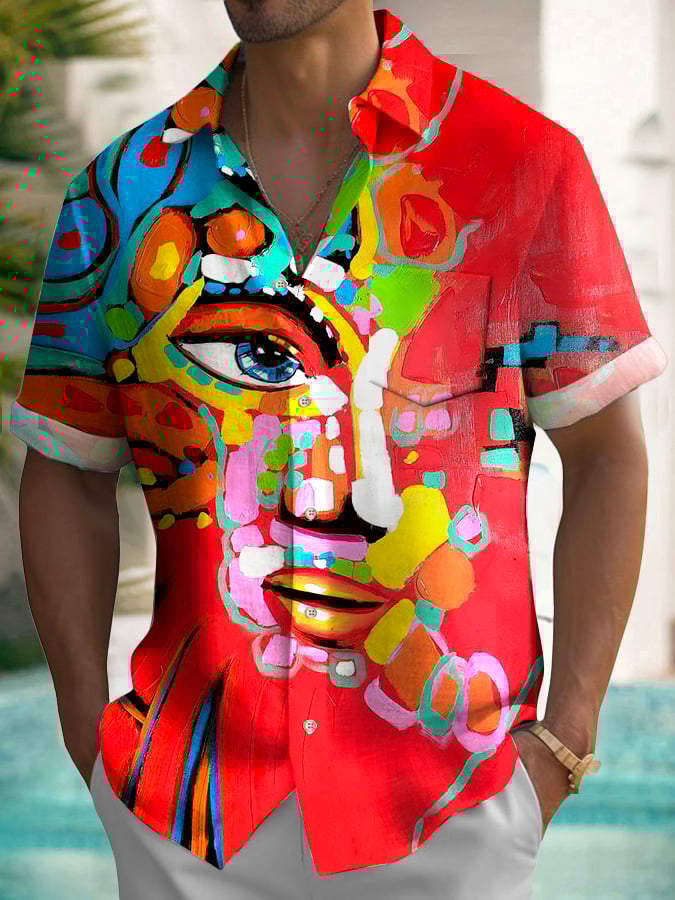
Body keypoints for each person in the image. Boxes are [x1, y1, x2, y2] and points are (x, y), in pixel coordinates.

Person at [11, 2, 668, 898]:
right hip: (184, 822)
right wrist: (89, 737)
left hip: (454, 809)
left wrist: (565, 740)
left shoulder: (522, 164)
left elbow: (606, 456)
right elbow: (65, 466)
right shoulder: (120, 195)